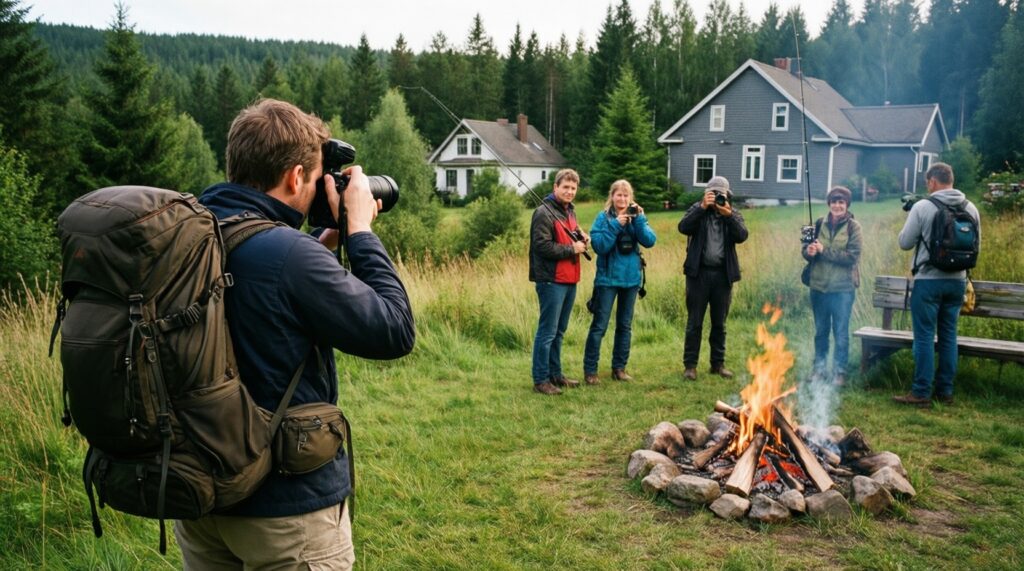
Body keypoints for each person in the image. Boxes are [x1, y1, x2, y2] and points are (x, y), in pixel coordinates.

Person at [175, 99, 415, 569]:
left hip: (203, 494)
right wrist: (361, 230)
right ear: (295, 177)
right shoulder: (289, 256)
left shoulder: (195, 235)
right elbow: (395, 329)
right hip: (285, 509)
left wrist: (314, 249)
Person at [894, 162, 980, 407]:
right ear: (951, 180)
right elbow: (977, 247)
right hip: (957, 283)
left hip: (928, 281)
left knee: (923, 338)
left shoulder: (923, 206)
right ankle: (945, 392)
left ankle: (920, 393)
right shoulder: (971, 207)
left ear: (932, 181)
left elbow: (905, 243)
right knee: (948, 336)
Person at [583, 180, 657, 384]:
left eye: (626, 196)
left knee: (625, 326)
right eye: (619, 195)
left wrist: (639, 220)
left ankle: (619, 368)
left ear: (630, 198)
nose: (622, 199)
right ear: (612, 196)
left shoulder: (637, 216)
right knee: (599, 326)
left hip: (631, 280)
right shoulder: (603, 218)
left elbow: (650, 241)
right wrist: (616, 225)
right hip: (607, 280)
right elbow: (599, 246)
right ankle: (590, 371)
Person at [678, 175, 749, 381]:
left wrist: (728, 215)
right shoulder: (697, 209)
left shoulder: (731, 213)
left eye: (721, 194)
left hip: (722, 275)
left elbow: (742, 235)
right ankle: (690, 366)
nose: (717, 197)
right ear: (707, 193)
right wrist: (702, 207)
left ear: (728, 195)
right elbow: (683, 227)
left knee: (720, 323)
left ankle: (718, 364)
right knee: (694, 322)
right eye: (714, 193)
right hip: (698, 274)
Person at [529, 168, 589, 395]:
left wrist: (583, 238)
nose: (570, 192)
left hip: (570, 278)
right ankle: (541, 380)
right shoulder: (543, 213)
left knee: (559, 330)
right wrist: (571, 248)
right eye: (565, 187)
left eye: (573, 188)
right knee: (547, 331)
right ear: (555, 188)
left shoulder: (569, 211)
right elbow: (541, 246)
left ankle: (556, 375)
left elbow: (570, 235)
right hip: (551, 280)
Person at [802, 186, 863, 387]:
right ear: (829, 204)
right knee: (820, 331)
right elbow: (806, 251)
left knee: (840, 332)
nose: (837, 206)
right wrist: (809, 251)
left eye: (841, 202)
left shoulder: (854, 227)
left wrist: (824, 250)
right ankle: (819, 370)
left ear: (847, 205)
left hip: (842, 290)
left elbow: (852, 257)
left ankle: (839, 373)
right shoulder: (819, 224)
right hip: (818, 287)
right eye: (834, 202)